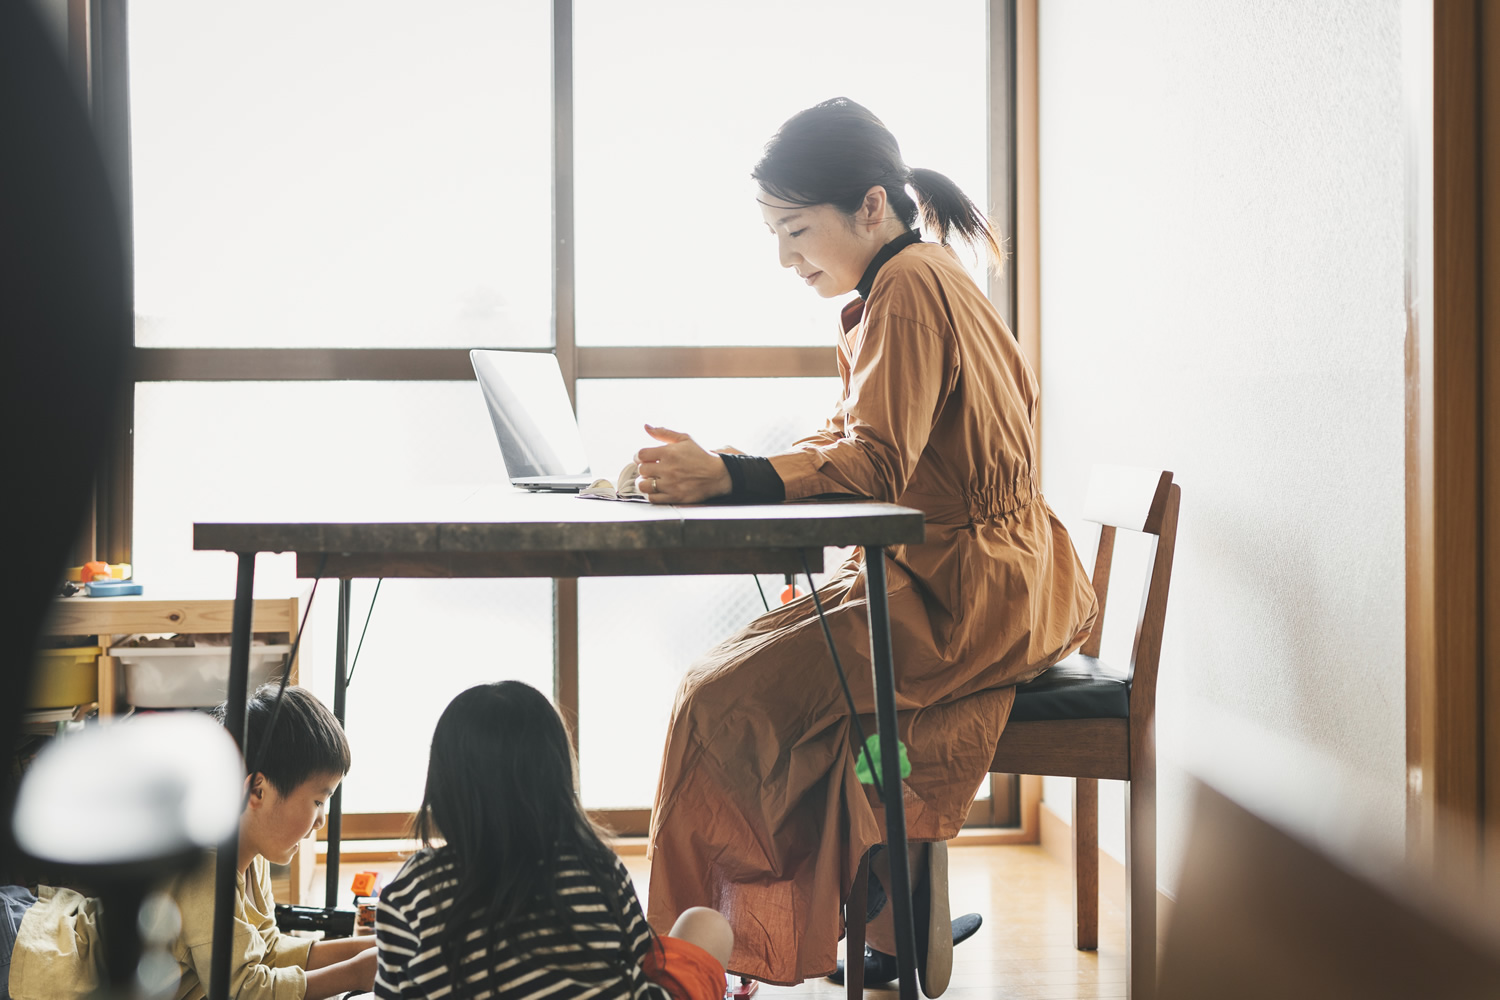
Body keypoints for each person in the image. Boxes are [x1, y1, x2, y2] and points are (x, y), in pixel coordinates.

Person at [635, 97, 1099, 992]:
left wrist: (731, 479)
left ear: (872, 206)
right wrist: (724, 467)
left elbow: (878, 465)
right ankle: (870, 917)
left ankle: (691, 962)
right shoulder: (907, 280)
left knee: (715, 707)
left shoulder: (910, 289)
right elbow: (845, 440)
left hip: (966, 594)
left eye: (796, 230)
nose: (785, 257)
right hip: (978, 576)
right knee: (739, 684)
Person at [5, 683, 374, 1000]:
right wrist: (355, 974)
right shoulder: (212, 864)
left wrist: (371, 949)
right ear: (257, 790)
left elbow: (268, 949)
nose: (322, 820)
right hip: (28, 955)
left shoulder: (250, 853)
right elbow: (244, 990)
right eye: (318, 801)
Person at [373, 681, 733, 1000]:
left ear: (443, 785)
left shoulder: (410, 889)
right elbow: (641, 961)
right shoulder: (594, 864)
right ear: (556, 780)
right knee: (706, 923)